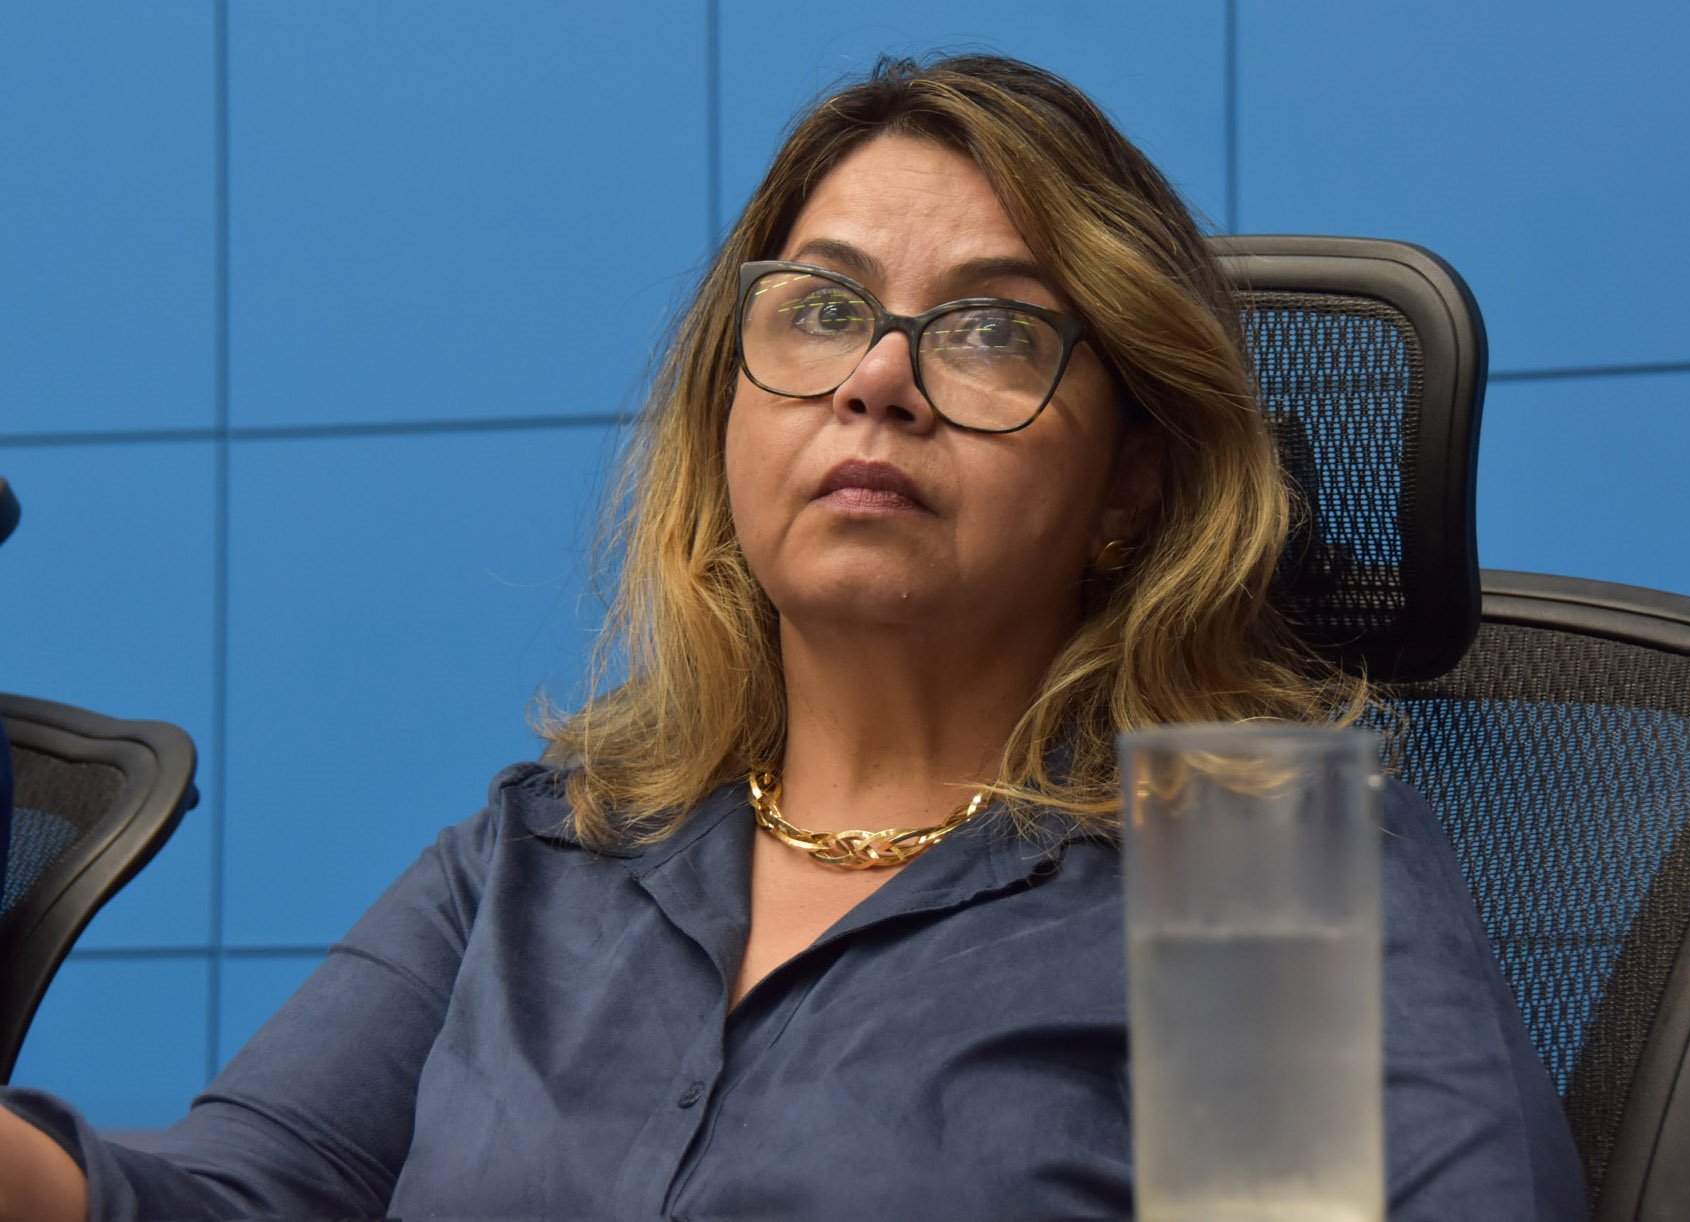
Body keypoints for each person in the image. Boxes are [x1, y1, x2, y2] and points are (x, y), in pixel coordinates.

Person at [0, 55, 1585, 1220]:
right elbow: (225, 1198)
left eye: (989, 329)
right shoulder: (542, 856)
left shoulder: (1242, 866)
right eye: (820, 309)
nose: (875, 378)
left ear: (1129, 480)